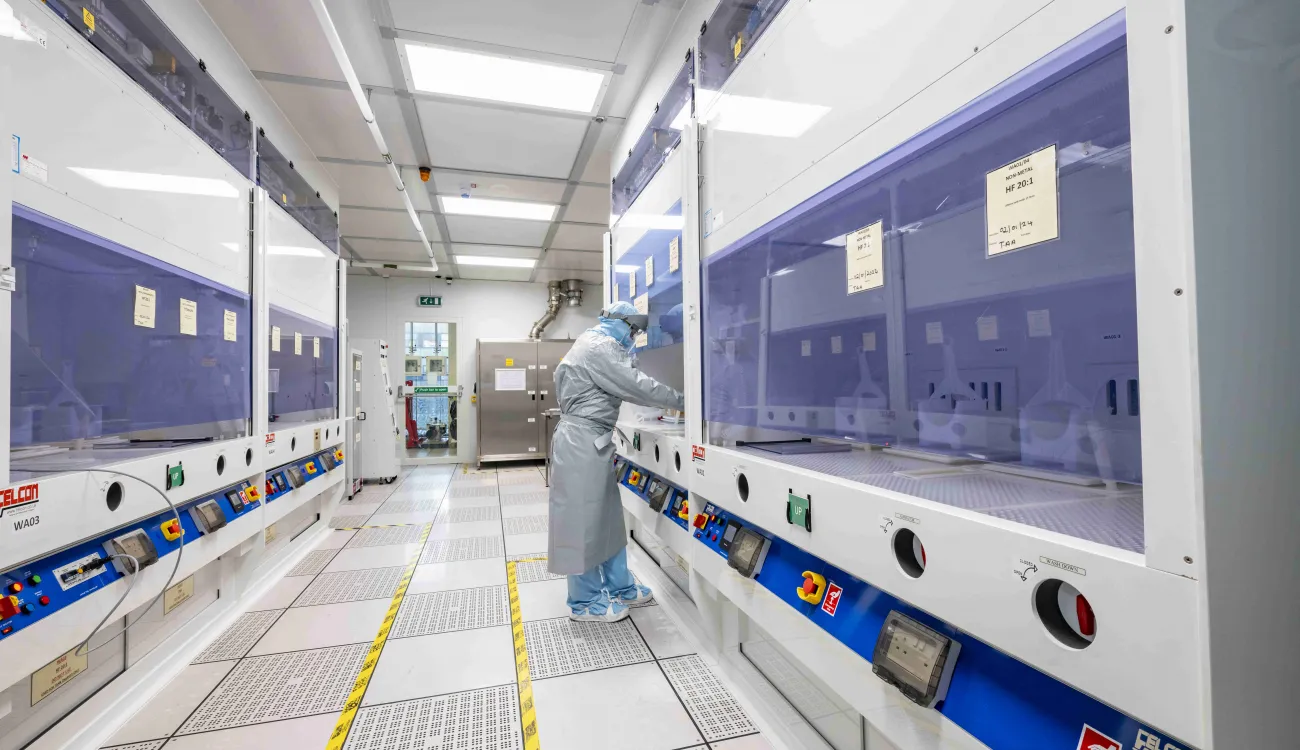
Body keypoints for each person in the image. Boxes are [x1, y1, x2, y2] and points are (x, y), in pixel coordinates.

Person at [548, 301, 684, 622]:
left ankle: (619, 584)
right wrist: (686, 399)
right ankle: (584, 602)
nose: (634, 337)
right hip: (580, 441)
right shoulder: (599, 347)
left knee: (606, 518)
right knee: (581, 522)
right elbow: (637, 386)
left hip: (594, 440)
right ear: (621, 323)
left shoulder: (597, 342)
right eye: (633, 330)